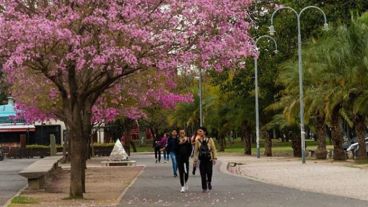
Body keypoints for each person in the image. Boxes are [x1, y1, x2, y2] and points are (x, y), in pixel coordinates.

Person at [193, 127, 217, 193]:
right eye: (198, 131)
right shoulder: (197, 141)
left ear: (204, 132)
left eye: (200, 131)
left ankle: (209, 181)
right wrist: (195, 160)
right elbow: (195, 151)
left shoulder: (210, 140)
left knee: (209, 172)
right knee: (202, 173)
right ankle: (204, 187)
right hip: (202, 159)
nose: (199, 132)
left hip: (209, 158)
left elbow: (213, 149)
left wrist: (214, 158)